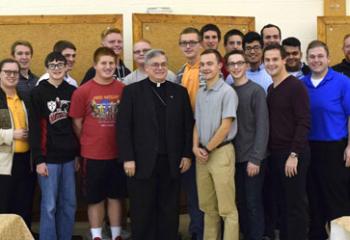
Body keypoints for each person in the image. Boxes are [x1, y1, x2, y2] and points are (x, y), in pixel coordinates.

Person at [117, 49, 193, 240]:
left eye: (163, 64)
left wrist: (186, 154)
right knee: (142, 210)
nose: (160, 68)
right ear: (146, 67)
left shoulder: (180, 92)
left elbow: (187, 127)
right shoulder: (132, 91)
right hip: (141, 162)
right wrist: (128, 158)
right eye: (155, 65)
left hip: (172, 161)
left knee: (169, 209)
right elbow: (123, 128)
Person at [69, 47, 126, 240]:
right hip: (92, 155)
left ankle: (117, 235)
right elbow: (77, 123)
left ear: (116, 65)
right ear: (95, 65)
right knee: (95, 198)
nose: (108, 67)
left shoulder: (123, 89)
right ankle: (96, 236)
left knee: (115, 196)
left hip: (118, 154)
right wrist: (89, 140)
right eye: (104, 63)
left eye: (111, 63)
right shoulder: (82, 91)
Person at [301, 40, 350, 240]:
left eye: (320, 56)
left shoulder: (342, 82)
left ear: (328, 58)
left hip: (335, 149)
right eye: (312, 56)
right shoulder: (301, 84)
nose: (316, 60)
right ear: (307, 59)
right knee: (314, 198)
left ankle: (341, 237)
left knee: (336, 199)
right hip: (309, 149)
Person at [29, 52, 79, 240]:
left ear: (67, 67)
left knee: (69, 203)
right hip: (47, 158)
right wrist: (38, 159)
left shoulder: (73, 91)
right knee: (49, 205)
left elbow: (76, 125)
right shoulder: (38, 92)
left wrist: (77, 155)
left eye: (60, 64)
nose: (56, 68)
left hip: (69, 158)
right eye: (52, 65)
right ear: (46, 68)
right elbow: (34, 127)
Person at [265, 44, 310, 240]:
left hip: (292, 154)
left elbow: (304, 121)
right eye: (267, 60)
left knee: (295, 204)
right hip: (275, 154)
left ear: (284, 60)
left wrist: (294, 155)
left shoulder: (295, 86)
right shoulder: (271, 88)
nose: (271, 63)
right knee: (282, 203)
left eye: (275, 59)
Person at [194, 49, 239, 240]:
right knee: (208, 208)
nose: (205, 68)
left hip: (220, 153)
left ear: (220, 66)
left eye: (209, 63)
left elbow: (226, 126)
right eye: (202, 64)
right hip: (201, 155)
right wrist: (195, 147)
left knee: (227, 210)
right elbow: (196, 121)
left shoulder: (228, 92)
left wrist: (206, 148)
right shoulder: (200, 92)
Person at [226, 50, 268, 240]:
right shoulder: (228, 92)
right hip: (233, 158)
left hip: (253, 159)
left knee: (253, 203)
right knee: (241, 202)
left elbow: (262, 127)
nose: (236, 67)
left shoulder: (256, 91)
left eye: (239, 63)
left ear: (245, 65)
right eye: (232, 63)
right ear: (227, 68)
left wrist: (256, 158)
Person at [177, 27, 204, 240]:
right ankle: (196, 230)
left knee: (204, 193)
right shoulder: (181, 72)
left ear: (201, 44)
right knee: (192, 191)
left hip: (205, 140)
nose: (188, 46)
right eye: (184, 42)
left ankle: (204, 232)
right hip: (186, 138)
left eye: (192, 42)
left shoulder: (207, 69)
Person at [0, 58, 33, 228]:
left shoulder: (23, 98)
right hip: (4, 164)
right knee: (5, 209)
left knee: (24, 208)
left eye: (15, 72)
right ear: (0, 74)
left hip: (25, 162)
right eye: (7, 72)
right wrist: (12, 134)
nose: (12, 75)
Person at [11, 40, 38, 105]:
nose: (24, 57)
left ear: (31, 56)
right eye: (20, 53)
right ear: (13, 57)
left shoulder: (37, 81)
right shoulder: (7, 81)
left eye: (27, 53)